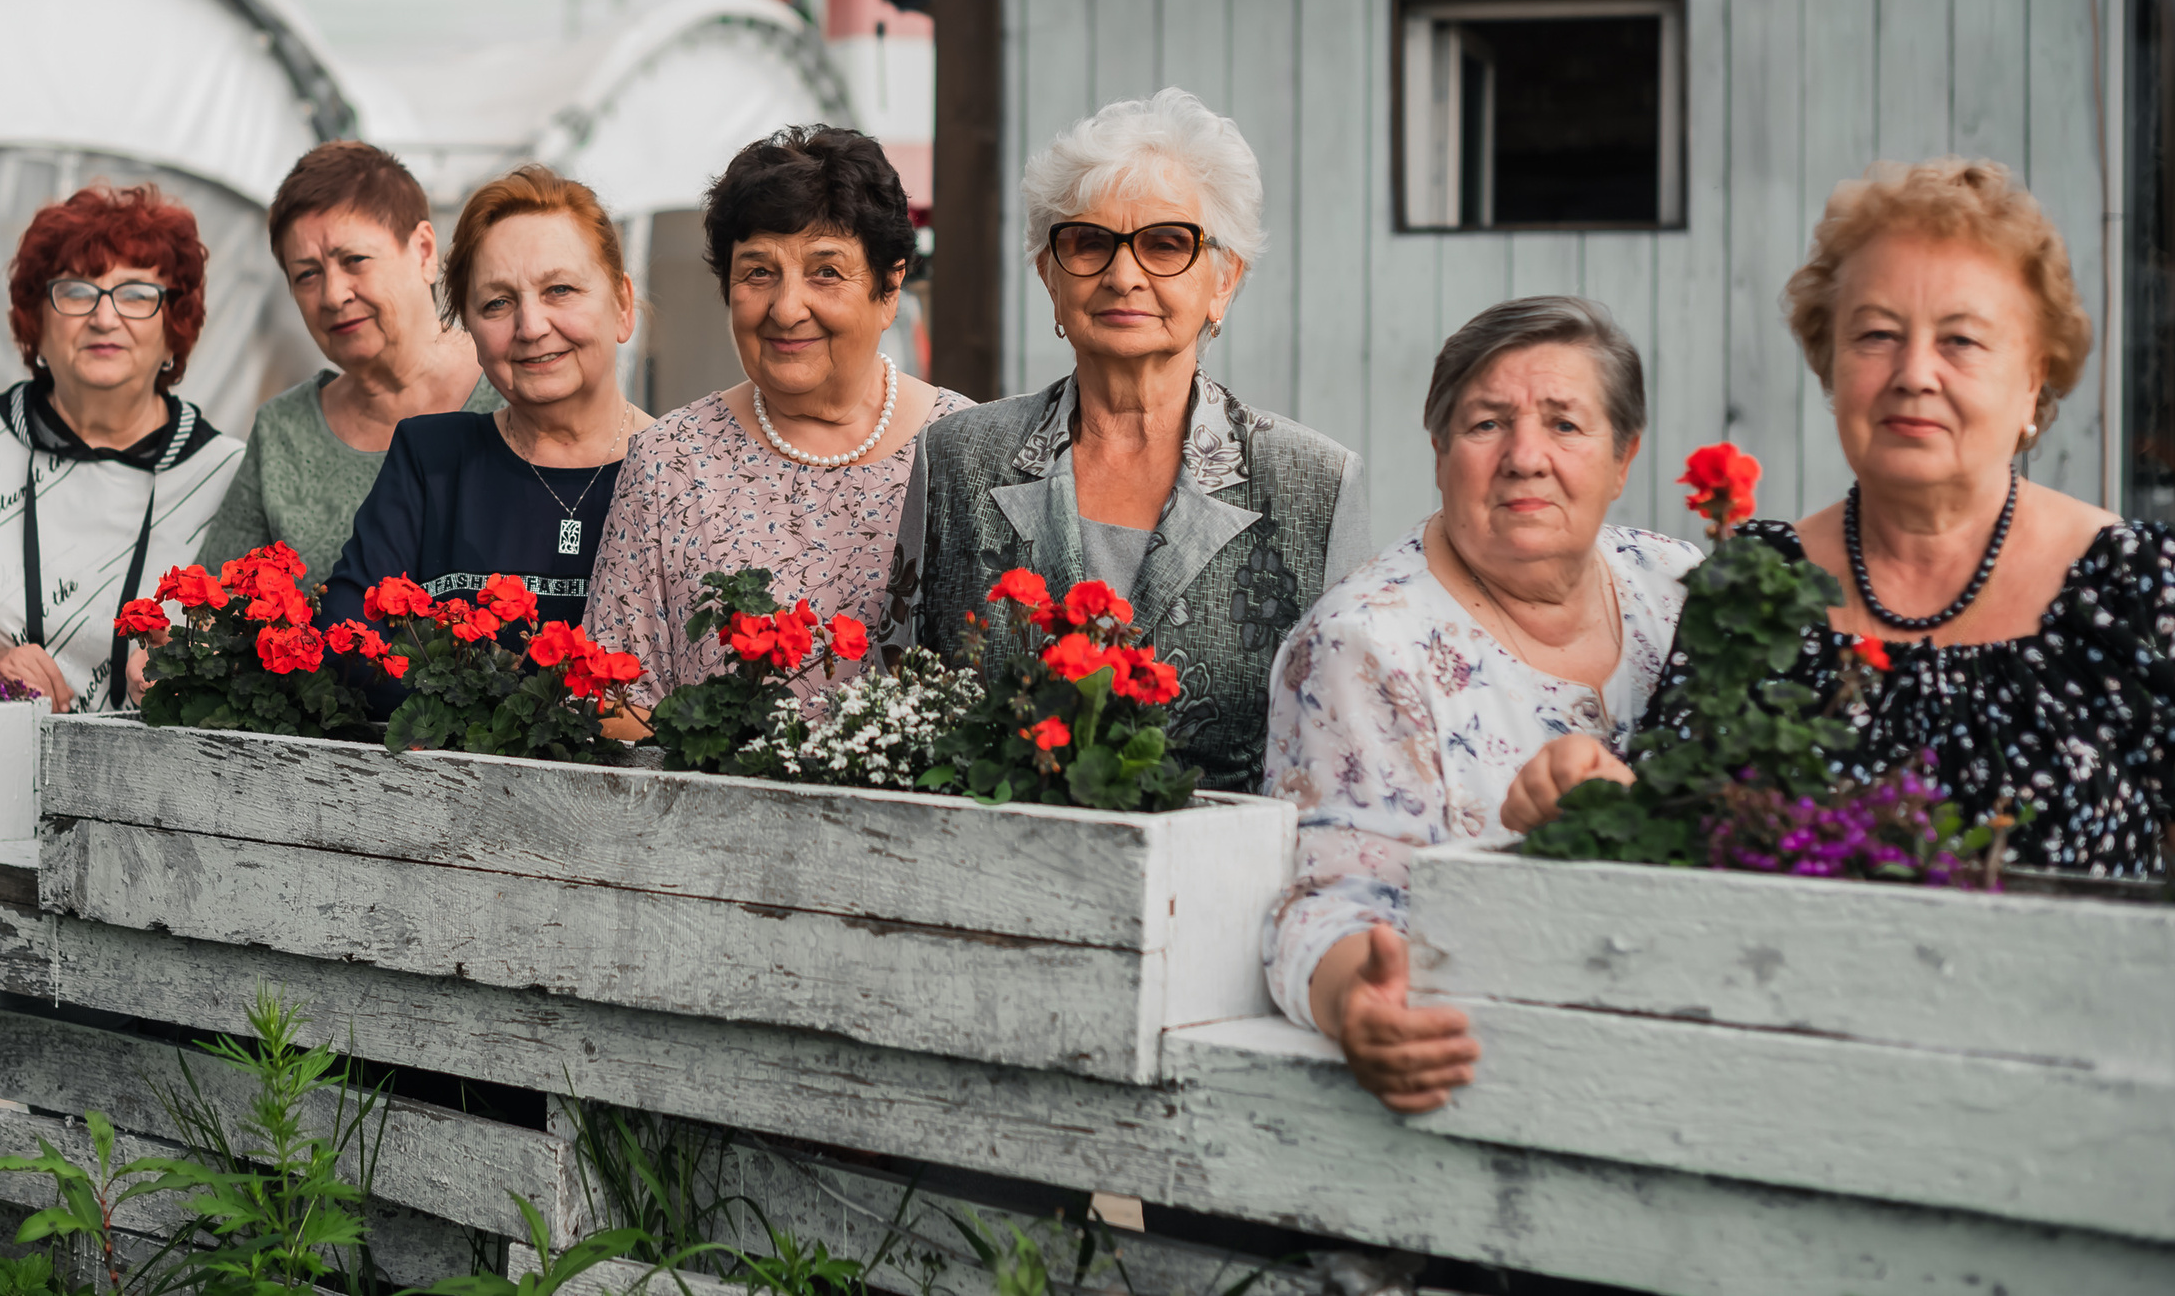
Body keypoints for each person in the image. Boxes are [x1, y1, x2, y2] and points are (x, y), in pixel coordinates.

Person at [1521, 159, 2175, 881]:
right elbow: (1676, 836)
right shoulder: (1758, 585)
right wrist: (1585, 788)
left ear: (2032, 381)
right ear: (1831, 368)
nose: (1915, 373)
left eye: (1960, 339)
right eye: (1876, 335)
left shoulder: (2136, 587)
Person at [1261, 296, 1699, 1112]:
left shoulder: (1675, 588)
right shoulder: (1366, 644)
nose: (1525, 456)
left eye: (1566, 424)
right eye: (1487, 424)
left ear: (1623, 457)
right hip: (1491, 1069)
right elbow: (1328, 900)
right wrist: (1359, 1003)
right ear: (1438, 452)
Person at [896, 88, 1365, 791]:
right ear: (1050, 278)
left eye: (1166, 244)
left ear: (1224, 281)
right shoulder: (957, 458)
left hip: (1217, 888)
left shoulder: (1314, 485)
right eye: (1088, 243)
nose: (1123, 274)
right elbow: (906, 701)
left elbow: (1337, 759)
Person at [584, 127, 969, 704]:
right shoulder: (670, 464)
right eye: (758, 272)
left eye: (826, 272)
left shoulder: (967, 452)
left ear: (889, 288)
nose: (786, 309)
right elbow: (610, 704)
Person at [0, 184, 243, 713]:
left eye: (135, 294)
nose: (105, 318)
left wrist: (200, 683)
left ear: (175, 325)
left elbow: (267, 679)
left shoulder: (227, 475)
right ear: (35, 318)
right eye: (77, 291)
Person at [322, 165, 649, 642]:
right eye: (497, 303)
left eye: (560, 289)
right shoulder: (430, 461)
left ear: (622, 305)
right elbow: (344, 642)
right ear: (470, 330)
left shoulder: (678, 467)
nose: (531, 326)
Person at [199, 141, 495, 579]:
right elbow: (210, 614)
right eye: (307, 275)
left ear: (424, 252)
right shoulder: (285, 433)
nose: (334, 295)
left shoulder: (514, 387)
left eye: (355, 260)